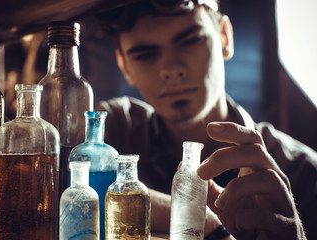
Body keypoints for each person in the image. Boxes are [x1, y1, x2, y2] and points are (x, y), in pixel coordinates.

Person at [93, 0, 317, 239]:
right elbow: (72, 189)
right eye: (145, 55)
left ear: (224, 38)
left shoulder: (304, 171)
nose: (171, 69)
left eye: (190, 41)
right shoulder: (116, 130)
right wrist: (207, 224)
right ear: (124, 66)